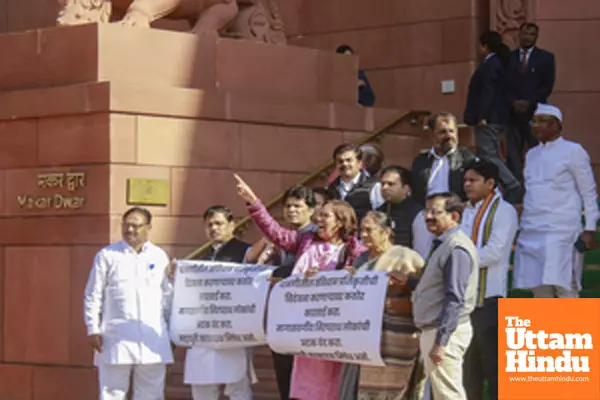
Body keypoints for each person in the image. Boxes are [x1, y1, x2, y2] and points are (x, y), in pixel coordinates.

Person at [234, 173, 366, 400]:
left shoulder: (354, 250)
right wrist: (254, 203)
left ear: (341, 221)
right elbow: (274, 231)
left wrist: (343, 275)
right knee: (304, 384)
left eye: (326, 216)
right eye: (319, 215)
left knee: (331, 386)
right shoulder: (305, 240)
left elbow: (362, 282)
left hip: (332, 330)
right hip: (303, 327)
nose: (319, 219)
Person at [84, 207, 173, 400]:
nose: (130, 230)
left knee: (151, 394)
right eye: (126, 225)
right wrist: (92, 328)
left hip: (153, 340)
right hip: (116, 339)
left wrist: (172, 332)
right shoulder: (107, 255)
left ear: (148, 227)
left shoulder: (159, 257)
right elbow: (93, 294)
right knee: (112, 394)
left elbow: (167, 297)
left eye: (136, 225)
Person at [397, 192, 478, 400]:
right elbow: (438, 286)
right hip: (437, 329)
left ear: (454, 217)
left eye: (436, 212)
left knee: (449, 394)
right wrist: (409, 281)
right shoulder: (444, 244)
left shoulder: (456, 248)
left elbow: (454, 298)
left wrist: (441, 342)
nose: (428, 217)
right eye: (427, 211)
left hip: (444, 332)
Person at [513, 104, 598, 298]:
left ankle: (572, 329)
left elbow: (588, 192)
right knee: (540, 290)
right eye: (533, 121)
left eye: (541, 121)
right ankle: (549, 329)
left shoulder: (574, 151)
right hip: (532, 231)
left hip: (562, 231)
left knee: (566, 287)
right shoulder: (531, 154)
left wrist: (590, 228)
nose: (535, 125)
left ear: (557, 125)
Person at [338, 211, 426, 400]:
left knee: (393, 391)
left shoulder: (406, 257)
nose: (363, 235)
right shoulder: (361, 260)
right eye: (361, 230)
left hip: (396, 338)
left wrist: (397, 295)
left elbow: (424, 291)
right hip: (365, 339)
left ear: (386, 232)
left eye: (369, 230)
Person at [244, 186, 318, 400]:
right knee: (284, 376)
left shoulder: (315, 236)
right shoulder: (280, 240)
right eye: (287, 206)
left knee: (305, 379)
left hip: (305, 318)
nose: (291, 210)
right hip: (280, 317)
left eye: (297, 205)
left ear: (311, 210)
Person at [460, 158, 518, 400]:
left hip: (491, 299)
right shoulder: (468, 210)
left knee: (493, 367)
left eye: (473, 180)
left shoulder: (504, 211)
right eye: (465, 180)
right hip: (466, 300)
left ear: (490, 183)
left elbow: (494, 252)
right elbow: (460, 244)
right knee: (468, 368)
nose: (467, 185)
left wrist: (461, 260)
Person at [184, 206, 254, 400]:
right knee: (202, 384)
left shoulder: (246, 252)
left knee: (238, 384)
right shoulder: (203, 258)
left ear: (232, 225)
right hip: (205, 330)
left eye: (219, 223)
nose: (214, 228)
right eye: (209, 225)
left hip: (234, 329)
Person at [464, 30, 522, 204]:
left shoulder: (491, 64)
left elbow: (488, 92)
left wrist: (482, 115)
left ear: (485, 46)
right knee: (490, 153)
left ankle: (512, 185)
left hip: (489, 118)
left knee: (488, 154)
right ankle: (501, 186)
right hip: (498, 117)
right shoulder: (502, 63)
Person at [506, 22, 556, 182]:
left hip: (535, 112)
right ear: (519, 35)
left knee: (537, 149)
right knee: (513, 153)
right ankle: (515, 188)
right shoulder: (508, 58)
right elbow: (502, 84)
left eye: (531, 34)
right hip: (512, 113)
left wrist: (529, 102)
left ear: (536, 37)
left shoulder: (546, 58)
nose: (527, 37)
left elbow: (547, 85)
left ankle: (538, 182)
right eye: (525, 34)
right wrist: (513, 102)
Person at [411, 112, 476, 206]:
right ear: (431, 134)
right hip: (427, 214)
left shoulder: (468, 160)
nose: (448, 136)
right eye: (442, 132)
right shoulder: (420, 162)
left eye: (451, 131)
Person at [377, 165, 430, 259]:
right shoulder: (378, 211)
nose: (384, 188)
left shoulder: (417, 214)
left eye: (391, 184)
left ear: (406, 189)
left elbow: (421, 253)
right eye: (382, 184)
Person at [325, 143, 381, 223]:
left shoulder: (374, 187)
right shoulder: (331, 189)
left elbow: (380, 217)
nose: (345, 164)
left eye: (349, 160)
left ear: (359, 163)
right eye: (340, 161)